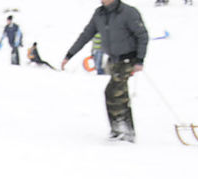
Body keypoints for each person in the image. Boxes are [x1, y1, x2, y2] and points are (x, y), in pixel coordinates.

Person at [61, 0, 149, 142]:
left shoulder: (128, 12)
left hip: (128, 59)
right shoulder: (99, 14)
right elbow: (86, 35)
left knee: (112, 91)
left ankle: (120, 128)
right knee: (121, 95)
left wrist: (140, 60)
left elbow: (142, 35)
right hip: (114, 61)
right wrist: (69, 55)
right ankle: (125, 131)